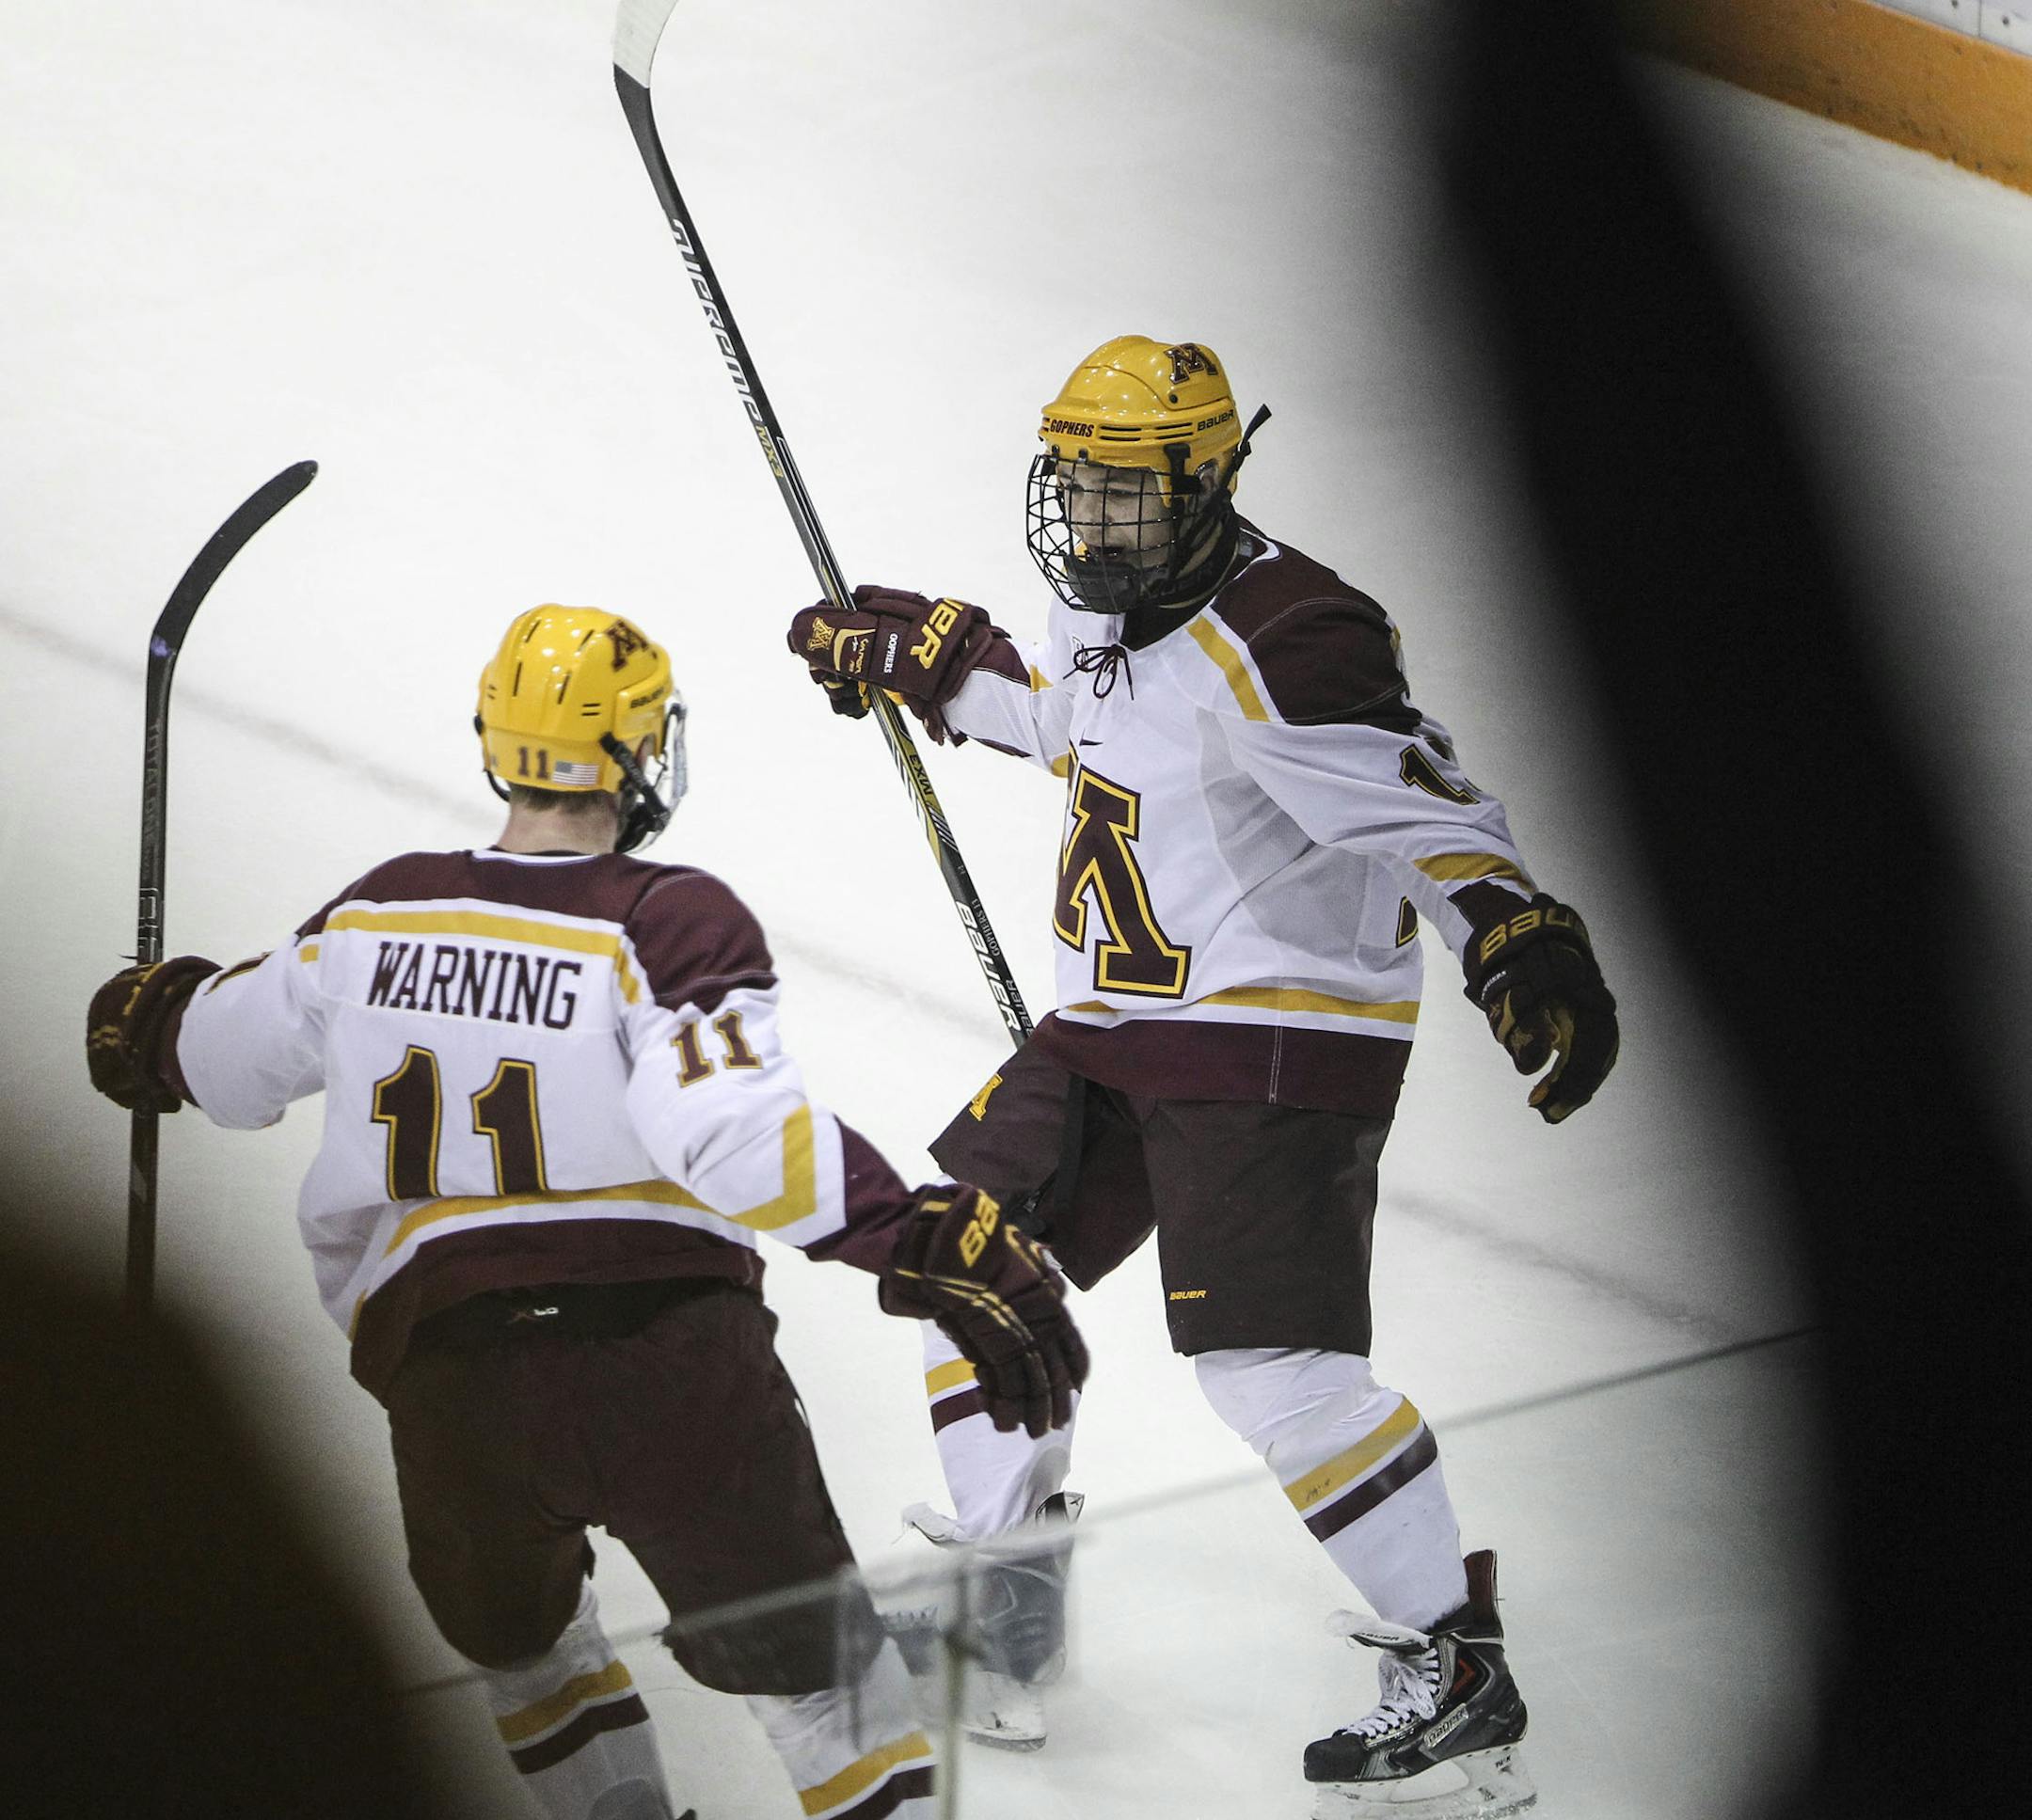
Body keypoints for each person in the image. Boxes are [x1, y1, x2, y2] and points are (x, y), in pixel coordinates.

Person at [784, 337, 1618, 1817]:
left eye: (1128, 494)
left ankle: (1458, 1666)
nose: (1095, 523)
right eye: (1080, 490)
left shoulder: (1293, 631)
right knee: (969, 1264)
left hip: (1274, 1044)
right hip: (1111, 1030)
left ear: (1211, 480)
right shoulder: (1103, 600)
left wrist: (1511, 927)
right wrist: (945, 671)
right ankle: (1002, 1624)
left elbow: (1417, 802)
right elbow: (1073, 726)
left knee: (1276, 1376)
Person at [86, 605, 1088, 1820]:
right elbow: (730, 1135)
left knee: (531, 1657)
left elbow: (215, 1054)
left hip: (451, 1389)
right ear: (631, 751)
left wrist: (155, 1022)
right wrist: (916, 1236)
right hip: (670, 1365)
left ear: (497, 743)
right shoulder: (664, 917)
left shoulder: (376, 917)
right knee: (831, 1697)